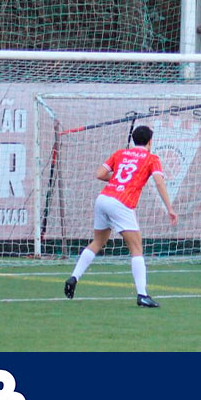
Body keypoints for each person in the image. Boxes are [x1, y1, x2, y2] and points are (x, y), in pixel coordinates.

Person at [64, 125, 178, 307]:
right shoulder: (151, 158)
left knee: (98, 242)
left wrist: (118, 179)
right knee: (136, 248)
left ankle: (74, 277)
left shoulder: (120, 153)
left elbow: (99, 174)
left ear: (133, 140)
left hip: (103, 198)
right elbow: (159, 181)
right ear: (150, 142)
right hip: (121, 202)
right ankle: (142, 295)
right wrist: (169, 207)